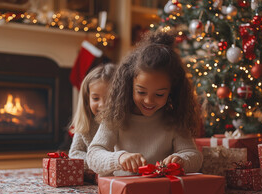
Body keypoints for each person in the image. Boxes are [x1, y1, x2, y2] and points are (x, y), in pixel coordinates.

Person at [87, 30, 203, 177]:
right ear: (129, 85)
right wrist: (119, 158)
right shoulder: (116, 115)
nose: (149, 101)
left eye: (159, 94)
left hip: (161, 191)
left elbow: (195, 157)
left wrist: (182, 160)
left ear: (172, 91)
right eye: (141, 92)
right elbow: (93, 156)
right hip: (123, 192)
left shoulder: (174, 119)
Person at [68, 63, 116, 177]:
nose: (102, 105)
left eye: (109, 98)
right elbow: (74, 153)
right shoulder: (87, 122)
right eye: (95, 98)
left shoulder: (121, 124)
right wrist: (97, 163)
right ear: (87, 99)